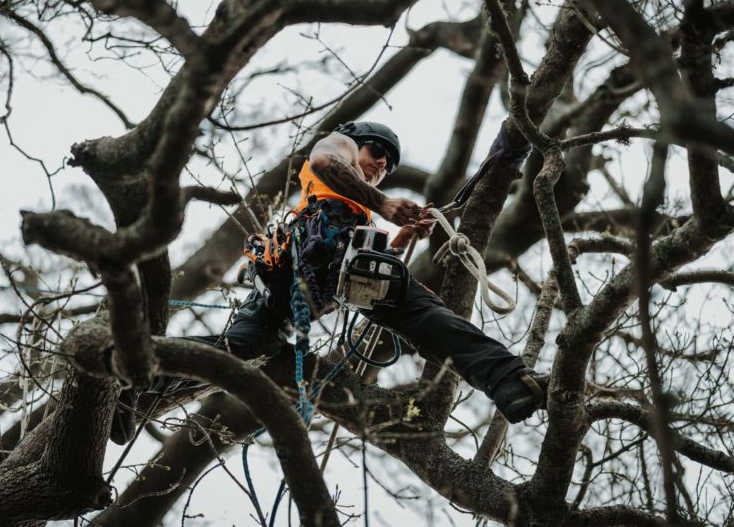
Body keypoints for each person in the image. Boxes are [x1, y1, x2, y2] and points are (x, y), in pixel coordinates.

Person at [111, 122, 545, 444]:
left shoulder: (360, 205)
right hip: (304, 258)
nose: (380, 164)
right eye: (376, 152)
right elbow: (323, 163)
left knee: (241, 350)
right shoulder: (338, 146)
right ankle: (131, 375)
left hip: (318, 280)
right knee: (416, 310)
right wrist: (381, 202)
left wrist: (402, 236)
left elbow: (364, 262)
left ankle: (136, 388)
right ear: (357, 142)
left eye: (388, 165)